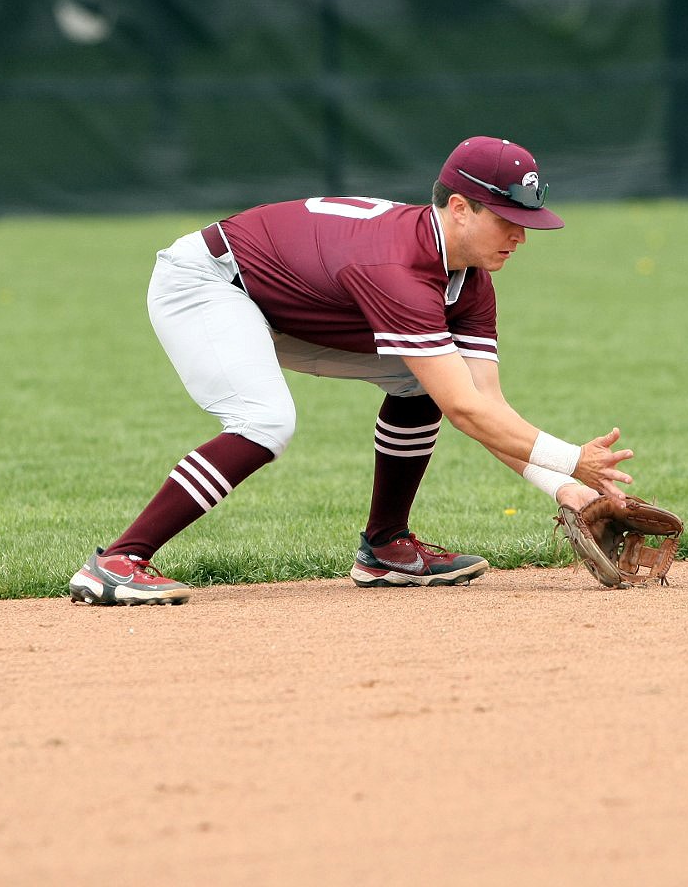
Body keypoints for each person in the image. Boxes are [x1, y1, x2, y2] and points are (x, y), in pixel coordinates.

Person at [69, 136, 635, 606]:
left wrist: (567, 489)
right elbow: (465, 410)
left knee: (419, 383)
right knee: (265, 421)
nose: (521, 235)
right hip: (210, 282)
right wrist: (573, 460)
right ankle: (118, 561)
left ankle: (386, 548)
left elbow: (483, 402)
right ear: (459, 208)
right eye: (509, 219)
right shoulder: (400, 269)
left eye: (527, 220)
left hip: (295, 305)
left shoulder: (470, 280)